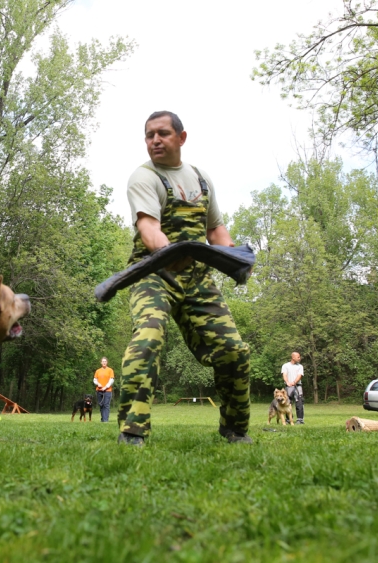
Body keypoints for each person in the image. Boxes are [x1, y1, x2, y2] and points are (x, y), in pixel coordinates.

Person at [118, 111, 251, 446]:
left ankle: (234, 429)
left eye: (162, 133)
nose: (155, 140)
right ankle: (133, 431)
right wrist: (169, 251)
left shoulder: (200, 178)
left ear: (181, 137)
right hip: (152, 274)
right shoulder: (143, 177)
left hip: (197, 280)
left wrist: (235, 257)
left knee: (234, 350)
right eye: (149, 135)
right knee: (149, 336)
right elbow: (149, 229)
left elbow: (216, 229)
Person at [281, 352, 304, 424]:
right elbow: (284, 375)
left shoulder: (300, 366)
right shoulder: (285, 365)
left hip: (297, 386)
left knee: (299, 402)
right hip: (288, 386)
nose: (299, 358)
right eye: (298, 357)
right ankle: (288, 419)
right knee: (288, 403)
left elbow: (299, 375)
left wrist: (294, 382)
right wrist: (287, 382)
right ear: (293, 357)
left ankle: (300, 420)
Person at [93, 357, 115, 422]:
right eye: (103, 361)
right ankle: (103, 419)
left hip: (107, 391)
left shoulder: (110, 370)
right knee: (101, 404)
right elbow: (95, 379)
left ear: (107, 362)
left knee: (106, 405)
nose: (104, 362)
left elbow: (111, 380)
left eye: (105, 361)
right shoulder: (98, 371)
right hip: (99, 390)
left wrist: (106, 387)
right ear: (101, 362)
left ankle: (106, 420)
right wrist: (98, 384)